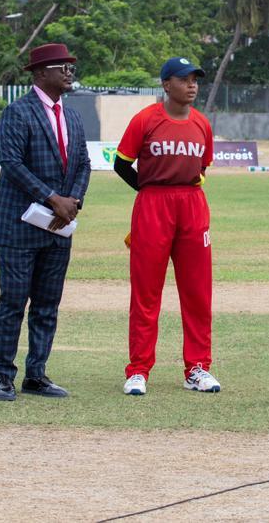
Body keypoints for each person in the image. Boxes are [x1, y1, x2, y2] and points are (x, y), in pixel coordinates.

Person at [0, 43, 91, 401]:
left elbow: (83, 164)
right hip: (18, 224)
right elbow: (12, 164)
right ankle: (4, 376)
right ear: (40, 73)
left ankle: (37, 375)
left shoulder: (72, 117)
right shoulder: (17, 113)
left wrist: (73, 202)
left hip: (59, 226)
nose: (69, 72)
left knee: (47, 303)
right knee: (14, 300)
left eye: (70, 67)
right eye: (62, 67)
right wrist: (52, 199)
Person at [114, 56, 219, 396]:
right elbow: (121, 164)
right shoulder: (145, 120)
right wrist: (147, 190)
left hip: (192, 205)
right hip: (153, 206)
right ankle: (138, 370)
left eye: (195, 80)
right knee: (146, 292)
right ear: (166, 84)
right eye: (184, 79)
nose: (192, 85)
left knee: (198, 292)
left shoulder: (202, 123)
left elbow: (202, 167)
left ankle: (198, 368)